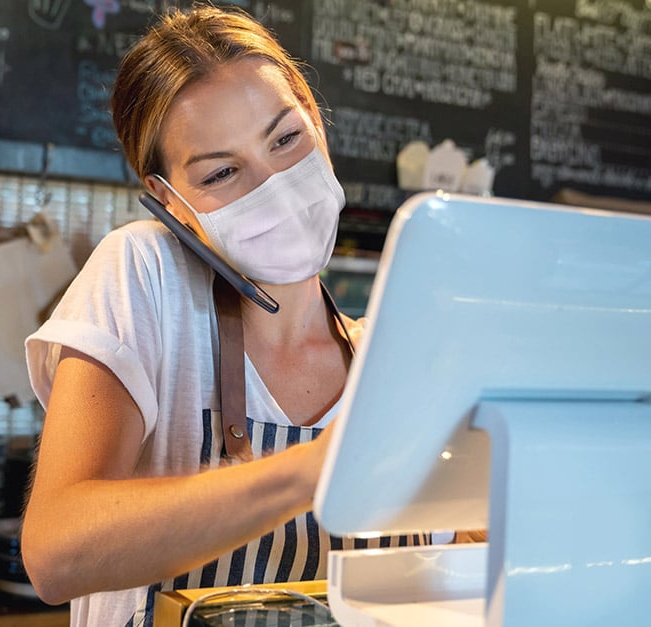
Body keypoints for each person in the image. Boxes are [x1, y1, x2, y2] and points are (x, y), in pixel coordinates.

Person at [21, 6, 432, 626]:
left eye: (286, 139)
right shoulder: (146, 276)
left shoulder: (400, 360)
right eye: (222, 173)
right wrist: (312, 470)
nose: (274, 185)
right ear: (171, 200)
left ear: (316, 122)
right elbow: (56, 554)